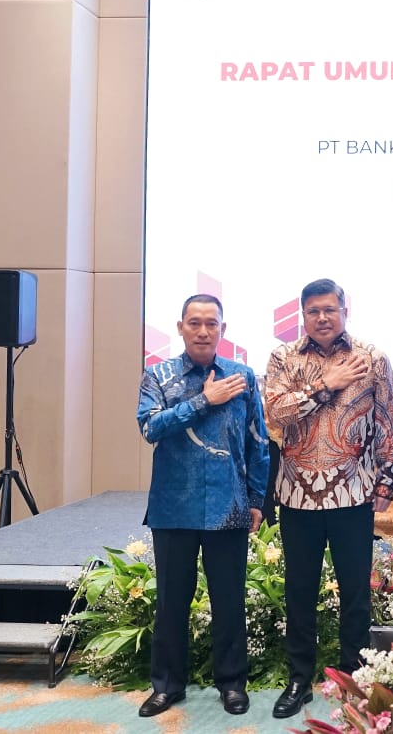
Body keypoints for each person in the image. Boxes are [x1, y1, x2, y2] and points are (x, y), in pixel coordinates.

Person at [263, 279, 393, 719]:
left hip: (353, 493)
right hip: (296, 496)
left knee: (356, 593)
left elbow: (388, 422)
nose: (322, 318)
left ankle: (353, 677)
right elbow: (276, 413)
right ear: (302, 315)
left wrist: (386, 482)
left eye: (329, 309)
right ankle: (299, 679)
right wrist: (327, 383)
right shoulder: (283, 357)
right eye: (313, 311)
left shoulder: (371, 358)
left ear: (345, 309)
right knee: (299, 591)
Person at [135, 294, 267, 718]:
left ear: (223, 330)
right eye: (195, 323)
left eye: (212, 323)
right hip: (173, 507)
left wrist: (257, 499)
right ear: (180, 328)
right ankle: (167, 686)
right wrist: (203, 401)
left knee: (229, 601)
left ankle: (232, 683)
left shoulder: (242, 377)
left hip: (229, 506)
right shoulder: (158, 375)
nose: (204, 331)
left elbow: (258, 441)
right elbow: (149, 427)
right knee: (172, 601)